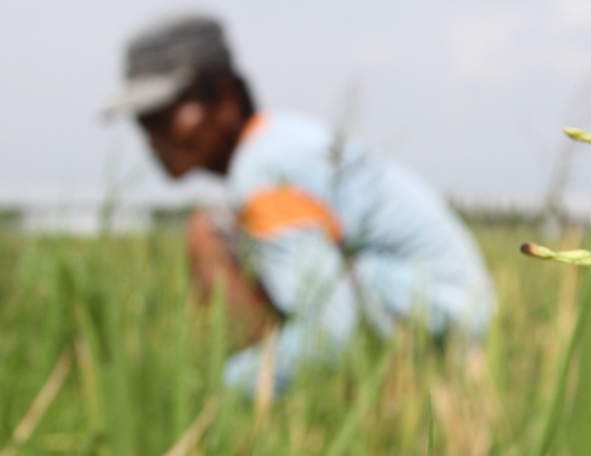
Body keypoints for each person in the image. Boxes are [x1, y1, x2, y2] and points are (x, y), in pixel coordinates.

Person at [107, 13, 496, 393]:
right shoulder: (280, 143)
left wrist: (224, 390)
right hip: (437, 308)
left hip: (437, 320)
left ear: (224, 99)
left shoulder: (266, 173)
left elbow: (328, 332)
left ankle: (280, 399)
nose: (152, 138)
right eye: (143, 122)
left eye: (161, 117)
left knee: (207, 232)